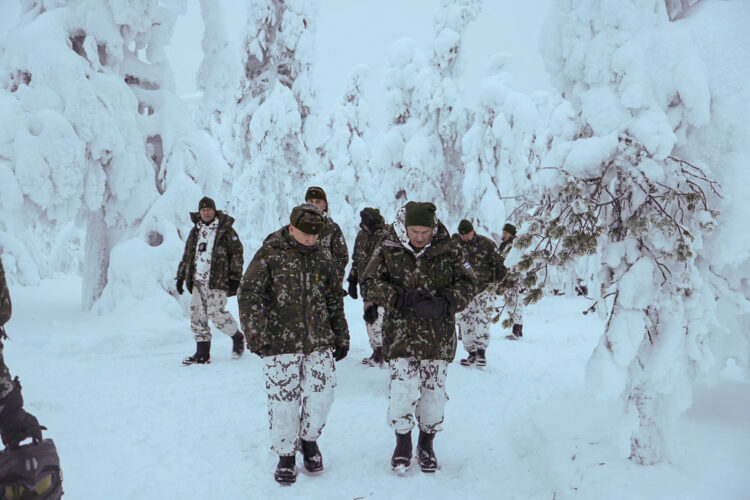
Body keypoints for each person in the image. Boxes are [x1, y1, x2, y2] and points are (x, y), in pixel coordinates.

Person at [238, 203, 350, 485]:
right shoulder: (270, 253)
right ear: (291, 228)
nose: (311, 240)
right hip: (279, 342)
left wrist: (342, 334)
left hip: (319, 339)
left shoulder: (323, 257)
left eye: (315, 235)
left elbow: (334, 299)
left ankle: (309, 439)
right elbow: (249, 294)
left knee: (323, 394)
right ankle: (286, 454)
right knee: (284, 402)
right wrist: (255, 335)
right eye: (305, 234)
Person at [362, 202, 477, 473]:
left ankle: (427, 444)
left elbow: (470, 282)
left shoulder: (450, 247)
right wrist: (399, 297)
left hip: (438, 336)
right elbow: (369, 282)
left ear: (432, 226)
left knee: (434, 393)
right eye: (414, 231)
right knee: (402, 390)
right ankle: (402, 443)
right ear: (405, 227)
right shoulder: (389, 246)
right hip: (400, 334)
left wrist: (447, 302)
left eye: (425, 231)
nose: (420, 236)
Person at [175, 197, 245, 365]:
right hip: (198, 280)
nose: (206, 212)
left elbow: (237, 254)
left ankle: (236, 336)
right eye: (203, 210)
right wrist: (180, 276)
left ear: (214, 211)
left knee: (215, 312)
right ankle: (202, 353)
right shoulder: (195, 232)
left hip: (217, 280)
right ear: (199, 212)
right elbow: (187, 256)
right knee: (197, 316)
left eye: (209, 209)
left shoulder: (226, 231)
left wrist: (235, 278)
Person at [452, 219, 504, 367]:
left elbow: (500, 264)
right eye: (462, 235)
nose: (465, 237)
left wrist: (500, 284)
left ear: (473, 231)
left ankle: (481, 352)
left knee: (482, 319)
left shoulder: (486, 244)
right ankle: (471, 352)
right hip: (465, 290)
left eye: (467, 234)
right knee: (465, 321)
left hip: (485, 288)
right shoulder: (456, 247)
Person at [347, 208, 390, 366]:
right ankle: (377, 350)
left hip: (382, 285)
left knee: (380, 317)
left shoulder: (386, 235)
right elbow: (357, 259)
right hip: (365, 285)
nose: (366, 227)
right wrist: (352, 279)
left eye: (369, 224)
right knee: (370, 318)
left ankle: (384, 352)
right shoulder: (361, 235)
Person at [304, 186, 348, 291]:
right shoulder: (297, 227)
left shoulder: (333, 229)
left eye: (318, 201)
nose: (314, 205)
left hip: (325, 289)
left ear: (324, 205)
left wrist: (334, 280)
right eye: (311, 201)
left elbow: (342, 257)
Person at [498, 223, 523, 340]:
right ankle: (519, 329)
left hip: (514, 279)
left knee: (514, 304)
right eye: (503, 233)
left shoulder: (515, 246)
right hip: (507, 278)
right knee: (512, 304)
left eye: (506, 233)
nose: (504, 235)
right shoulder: (504, 245)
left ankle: (516, 331)